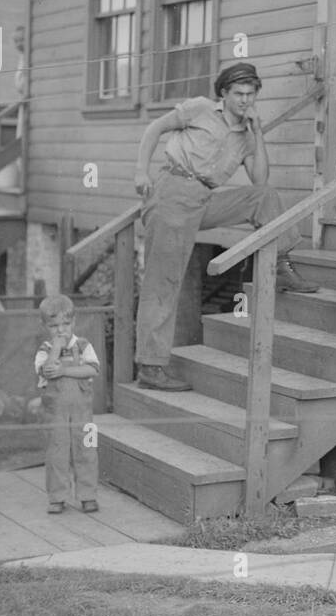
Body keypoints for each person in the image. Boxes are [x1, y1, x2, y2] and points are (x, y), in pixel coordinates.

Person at [132, 62, 315, 392]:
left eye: (251, 94)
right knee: (164, 283)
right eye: (238, 94)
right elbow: (154, 129)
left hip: (203, 199)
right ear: (224, 94)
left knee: (263, 197)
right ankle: (150, 366)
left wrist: (257, 134)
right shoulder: (200, 109)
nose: (245, 100)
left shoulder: (245, 136)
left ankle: (283, 264)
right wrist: (140, 172)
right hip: (172, 192)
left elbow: (259, 179)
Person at [36, 294, 101, 514]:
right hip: (56, 412)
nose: (61, 330)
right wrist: (56, 348)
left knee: (86, 450)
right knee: (57, 452)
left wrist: (65, 371)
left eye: (65, 324)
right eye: (54, 326)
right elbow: (47, 370)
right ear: (46, 326)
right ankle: (57, 497)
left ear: (74, 322)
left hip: (82, 411)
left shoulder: (83, 346)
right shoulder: (45, 350)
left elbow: (92, 369)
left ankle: (88, 495)